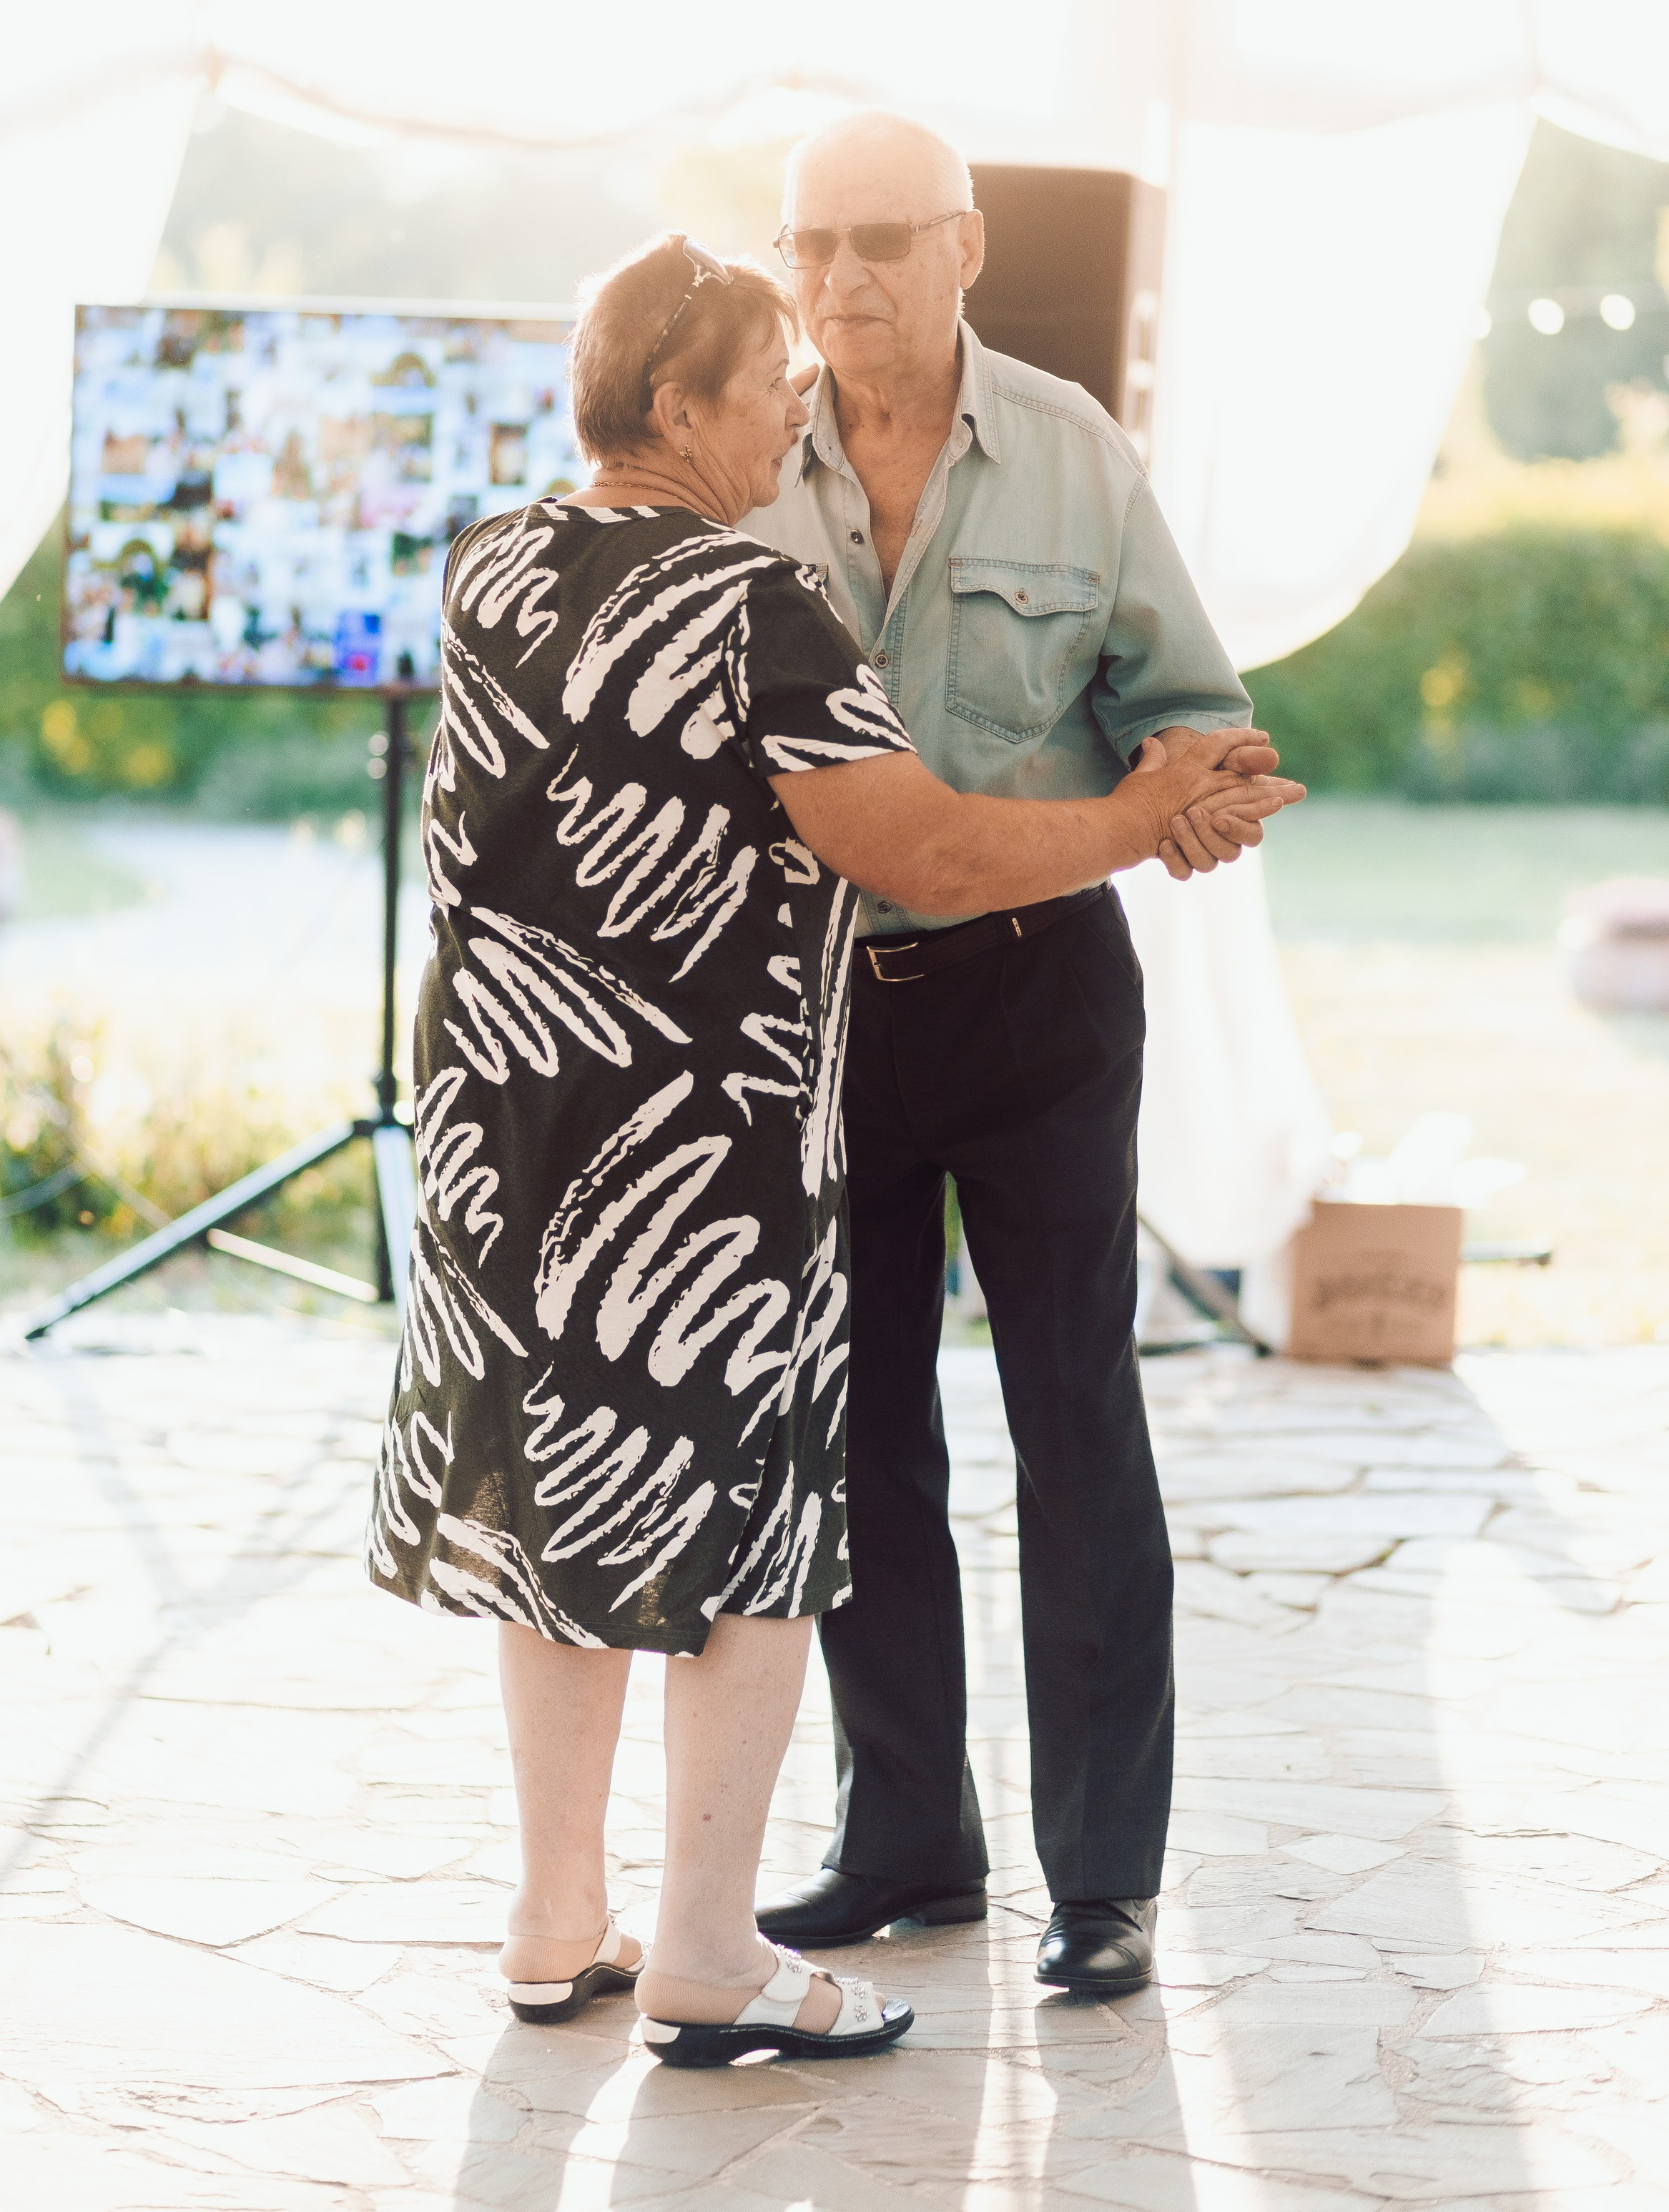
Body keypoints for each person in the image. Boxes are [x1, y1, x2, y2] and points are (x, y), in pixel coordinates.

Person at [365, 229, 1299, 2065]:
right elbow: (931, 854)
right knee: (754, 1534)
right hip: (693, 1159)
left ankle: (558, 1925)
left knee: (564, 1506)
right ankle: (708, 1954)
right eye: (761, 374)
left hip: (503, 1132)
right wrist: (1138, 817)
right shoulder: (752, 600)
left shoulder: (488, 566)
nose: (793, 391)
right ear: (674, 404)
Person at [744, 112, 1275, 2000]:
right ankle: (906, 1838)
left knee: (1076, 1424)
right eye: (811, 244)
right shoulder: (747, 466)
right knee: (859, 1434)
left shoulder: (1071, 447)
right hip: (821, 1014)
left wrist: (1208, 794)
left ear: (965, 245)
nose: (839, 282)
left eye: (882, 239)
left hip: (1045, 997)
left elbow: (1195, 722)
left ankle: (1103, 1875)